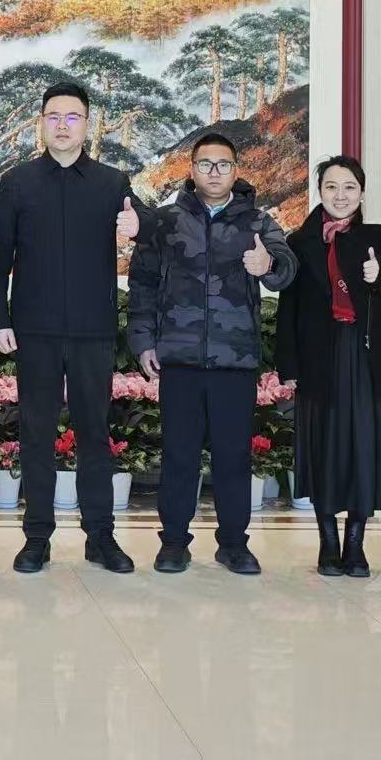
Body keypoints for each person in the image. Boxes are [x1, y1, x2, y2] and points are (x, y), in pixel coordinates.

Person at [0, 80, 152, 575]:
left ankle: (101, 537)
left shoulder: (111, 182)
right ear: (41, 123)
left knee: (94, 433)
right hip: (33, 330)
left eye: (72, 116)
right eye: (53, 116)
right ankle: (37, 537)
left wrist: (139, 226)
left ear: (87, 124)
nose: (62, 125)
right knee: (35, 433)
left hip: (92, 331)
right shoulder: (17, 182)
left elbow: (145, 223)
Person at [128, 132, 296, 576]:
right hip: (179, 360)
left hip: (233, 361)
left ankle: (234, 544)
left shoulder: (258, 222)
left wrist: (268, 266)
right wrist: (143, 341)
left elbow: (287, 268)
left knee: (233, 457)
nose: (215, 172)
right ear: (192, 170)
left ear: (236, 170)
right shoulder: (165, 222)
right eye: (206, 164)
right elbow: (142, 283)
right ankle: (173, 543)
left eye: (223, 164)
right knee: (179, 455)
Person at [276, 156, 381, 578]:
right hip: (320, 355)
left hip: (369, 357)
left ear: (362, 193)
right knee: (324, 445)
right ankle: (327, 541)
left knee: (364, 445)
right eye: (331, 187)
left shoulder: (376, 236)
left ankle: (355, 542)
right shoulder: (300, 242)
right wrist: (288, 365)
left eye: (349, 187)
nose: (340, 195)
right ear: (320, 192)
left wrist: (377, 269)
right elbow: (289, 308)